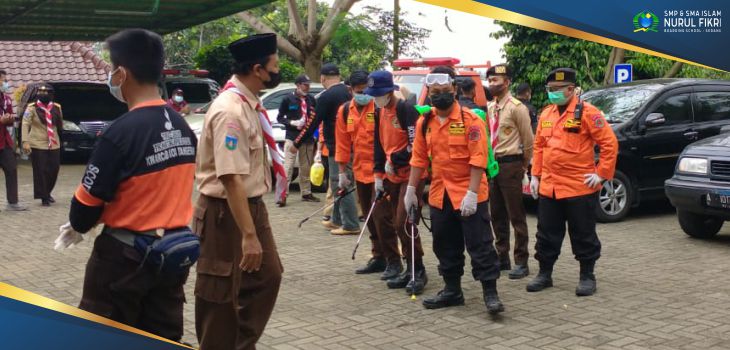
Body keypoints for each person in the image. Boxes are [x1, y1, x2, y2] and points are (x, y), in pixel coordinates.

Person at [55, 29, 197, 342]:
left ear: (122, 74)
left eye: (110, 69)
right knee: (163, 335)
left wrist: (78, 226)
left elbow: (84, 209)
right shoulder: (182, 126)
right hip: (172, 255)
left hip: (123, 261)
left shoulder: (120, 133)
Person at [194, 33, 284, 350]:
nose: (278, 69)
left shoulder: (249, 103)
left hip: (251, 205)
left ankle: (239, 344)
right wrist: (248, 235)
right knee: (219, 290)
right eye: (275, 64)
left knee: (266, 277)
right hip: (224, 213)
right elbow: (230, 177)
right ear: (258, 69)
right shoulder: (230, 110)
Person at [406, 66, 503, 314]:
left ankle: (490, 293)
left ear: (455, 90)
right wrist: (410, 190)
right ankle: (452, 290)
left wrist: (471, 194)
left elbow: (478, 158)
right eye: (434, 92)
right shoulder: (424, 122)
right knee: (444, 244)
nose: (439, 96)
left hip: (470, 193)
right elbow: (418, 159)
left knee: (480, 244)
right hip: (440, 194)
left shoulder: (471, 120)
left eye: (444, 91)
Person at [527, 68, 618, 297]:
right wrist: (535, 176)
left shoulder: (588, 112)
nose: (552, 93)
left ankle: (587, 275)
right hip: (550, 187)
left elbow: (609, 143)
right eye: (550, 89)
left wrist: (602, 173)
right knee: (546, 234)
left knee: (583, 233)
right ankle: (544, 274)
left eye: (557, 90)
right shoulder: (546, 114)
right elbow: (539, 147)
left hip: (579, 186)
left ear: (571, 89)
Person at [334, 70, 399, 278]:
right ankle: (378, 257)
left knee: (382, 217)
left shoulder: (379, 108)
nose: (364, 95)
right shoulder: (345, 111)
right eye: (359, 91)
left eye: (366, 91)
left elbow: (390, 139)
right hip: (360, 172)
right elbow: (342, 143)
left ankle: (394, 260)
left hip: (381, 173)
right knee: (369, 218)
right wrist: (342, 172)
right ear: (350, 90)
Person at [369, 70, 429, 294]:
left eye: (379, 94)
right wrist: (377, 175)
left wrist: (395, 158)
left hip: (411, 174)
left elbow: (416, 145)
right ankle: (408, 266)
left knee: (405, 221)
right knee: (396, 221)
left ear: (389, 92)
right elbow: (378, 144)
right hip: (391, 174)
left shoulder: (405, 109)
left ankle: (418, 269)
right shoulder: (379, 111)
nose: (376, 99)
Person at [290, 63, 359, 234]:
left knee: (341, 183)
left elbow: (312, 122)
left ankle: (350, 224)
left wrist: (297, 142)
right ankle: (336, 220)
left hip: (338, 146)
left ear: (322, 78)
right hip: (351, 144)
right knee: (337, 183)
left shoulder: (326, 96)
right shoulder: (348, 91)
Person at [485, 64, 534, 279]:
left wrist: (523, 166)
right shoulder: (490, 107)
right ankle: (502, 256)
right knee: (496, 214)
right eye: (490, 80)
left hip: (512, 164)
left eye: (496, 80)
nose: (492, 84)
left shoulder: (517, 108)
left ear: (507, 82)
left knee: (516, 215)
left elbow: (529, 141)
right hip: (494, 166)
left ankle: (521, 261)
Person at [278, 74, 319, 206]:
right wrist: (292, 122)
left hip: (307, 139)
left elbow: (316, 118)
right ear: (298, 85)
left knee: (305, 166)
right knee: (288, 167)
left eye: (308, 85)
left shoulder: (311, 100)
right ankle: (283, 194)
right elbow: (280, 118)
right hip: (292, 137)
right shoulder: (288, 99)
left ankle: (306, 192)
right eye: (304, 85)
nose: (307, 87)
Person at [21, 83, 62, 206]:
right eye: (40, 93)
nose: (43, 95)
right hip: (37, 143)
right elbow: (25, 124)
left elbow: (59, 125)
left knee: (54, 169)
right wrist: (25, 141)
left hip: (54, 143)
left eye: (46, 93)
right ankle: (44, 196)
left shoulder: (57, 107)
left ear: (51, 94)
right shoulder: (32, 108)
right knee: (41, 170)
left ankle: (47, 192)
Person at [0, 70, 26, 212]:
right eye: (3, 80)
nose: (5, 83)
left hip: (5, 141)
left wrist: (9, 119)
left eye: (5, 80)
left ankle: (13, 202)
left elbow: (10, 119)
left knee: (11, 168)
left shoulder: (6, 99)